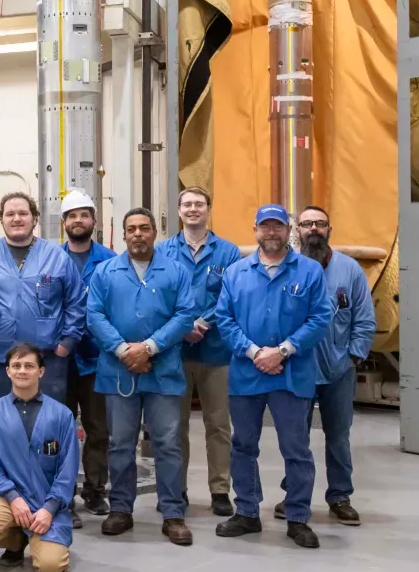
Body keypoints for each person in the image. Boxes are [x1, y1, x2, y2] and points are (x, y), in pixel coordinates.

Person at [213, 204, 333, 549]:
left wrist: (281, 351)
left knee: (296, 449)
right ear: (255, 231)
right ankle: (247, 512)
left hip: (291, 374)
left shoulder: (309, 272)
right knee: (243, 446)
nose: (271, 233)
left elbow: (319, 318)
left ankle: (297, 517)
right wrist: (254, 353)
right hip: (246, 374)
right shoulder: (236, 272)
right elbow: (225, 319)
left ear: (288, 230)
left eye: (277, 227)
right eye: (265, 227)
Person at [84, 208, 198, 546]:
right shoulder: (106, 272)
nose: (138, 234)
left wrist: (149, 347)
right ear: (123, 234)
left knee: (167, 443)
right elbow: (94, 315)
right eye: (131, 228)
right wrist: (123, 351)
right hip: (118, 371)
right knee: (120, 444)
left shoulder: (175, 271)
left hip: (162, 371)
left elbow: (186, 313)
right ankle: (121, 508)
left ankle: (173, 512)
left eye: (144, 228)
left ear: (154, 233)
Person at [271, 205, 374, 527]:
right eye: (306, 224)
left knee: (338, 436)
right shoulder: (287, 269)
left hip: (337, 370)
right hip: (296, 367)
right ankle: (294, 494)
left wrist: (353, 357)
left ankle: (340, 496)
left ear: (330, 229)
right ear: (295, 231)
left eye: (319, 223)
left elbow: (364, 320)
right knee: (294, 437)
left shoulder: (350, 270)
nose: (313, 229)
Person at [0, 192, 84, 408]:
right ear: (2, 219)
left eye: (23, 213)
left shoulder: (57, 258)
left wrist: (66, 343)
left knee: (46, 425)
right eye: (10, 214)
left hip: (45, 360)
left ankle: (46, 445)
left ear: (34, 218)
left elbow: (76, 302)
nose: (17, 218)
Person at [155, 186, 241, 516]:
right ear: (178, 211)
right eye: (187, 204)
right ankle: (177, 489)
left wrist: (201, 323)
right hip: (174, 354)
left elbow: (231, 298)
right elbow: (160, 297)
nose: (193, 209)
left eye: (199, 204)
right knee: (174, 427)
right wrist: (184, 326)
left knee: (218, 425)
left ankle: (220, 489)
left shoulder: (229, 252)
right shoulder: (163, 251)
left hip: (217, 352)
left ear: (208, 209)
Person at [0, 344, 78, 572]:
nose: (22, 371)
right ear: (7, 371)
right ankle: (17, 540)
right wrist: (12, 497)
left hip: (47, 501)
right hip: (9, 499)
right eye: (16, 366)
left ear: (41, 371)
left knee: (52, 568)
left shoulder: (61, 415)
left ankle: (40, 536)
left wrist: (49, 509)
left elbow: (67, 471)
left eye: (29, 365)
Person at [57, 189, 114, 527]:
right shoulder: (50, 258)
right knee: (59, 429)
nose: (78, 220)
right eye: (72, 216)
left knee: (98, 429)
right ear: (63, 223)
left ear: (93, 220)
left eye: (84, 215)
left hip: (97, 359)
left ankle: (95, 490)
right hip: (60, 360)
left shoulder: (110, 261)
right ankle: (62, 496)